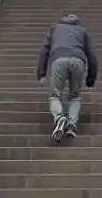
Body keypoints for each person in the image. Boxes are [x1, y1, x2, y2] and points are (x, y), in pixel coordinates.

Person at [36, 10, 98, 141]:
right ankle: (71, 125)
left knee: (55, 94)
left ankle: (59, 117)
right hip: (78, 60)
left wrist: (41, 73)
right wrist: (90, 79)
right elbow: (91, 54)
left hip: (59, 58)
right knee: (75, 96)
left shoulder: (56, 28)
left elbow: (44, 50)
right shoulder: (82, 31)